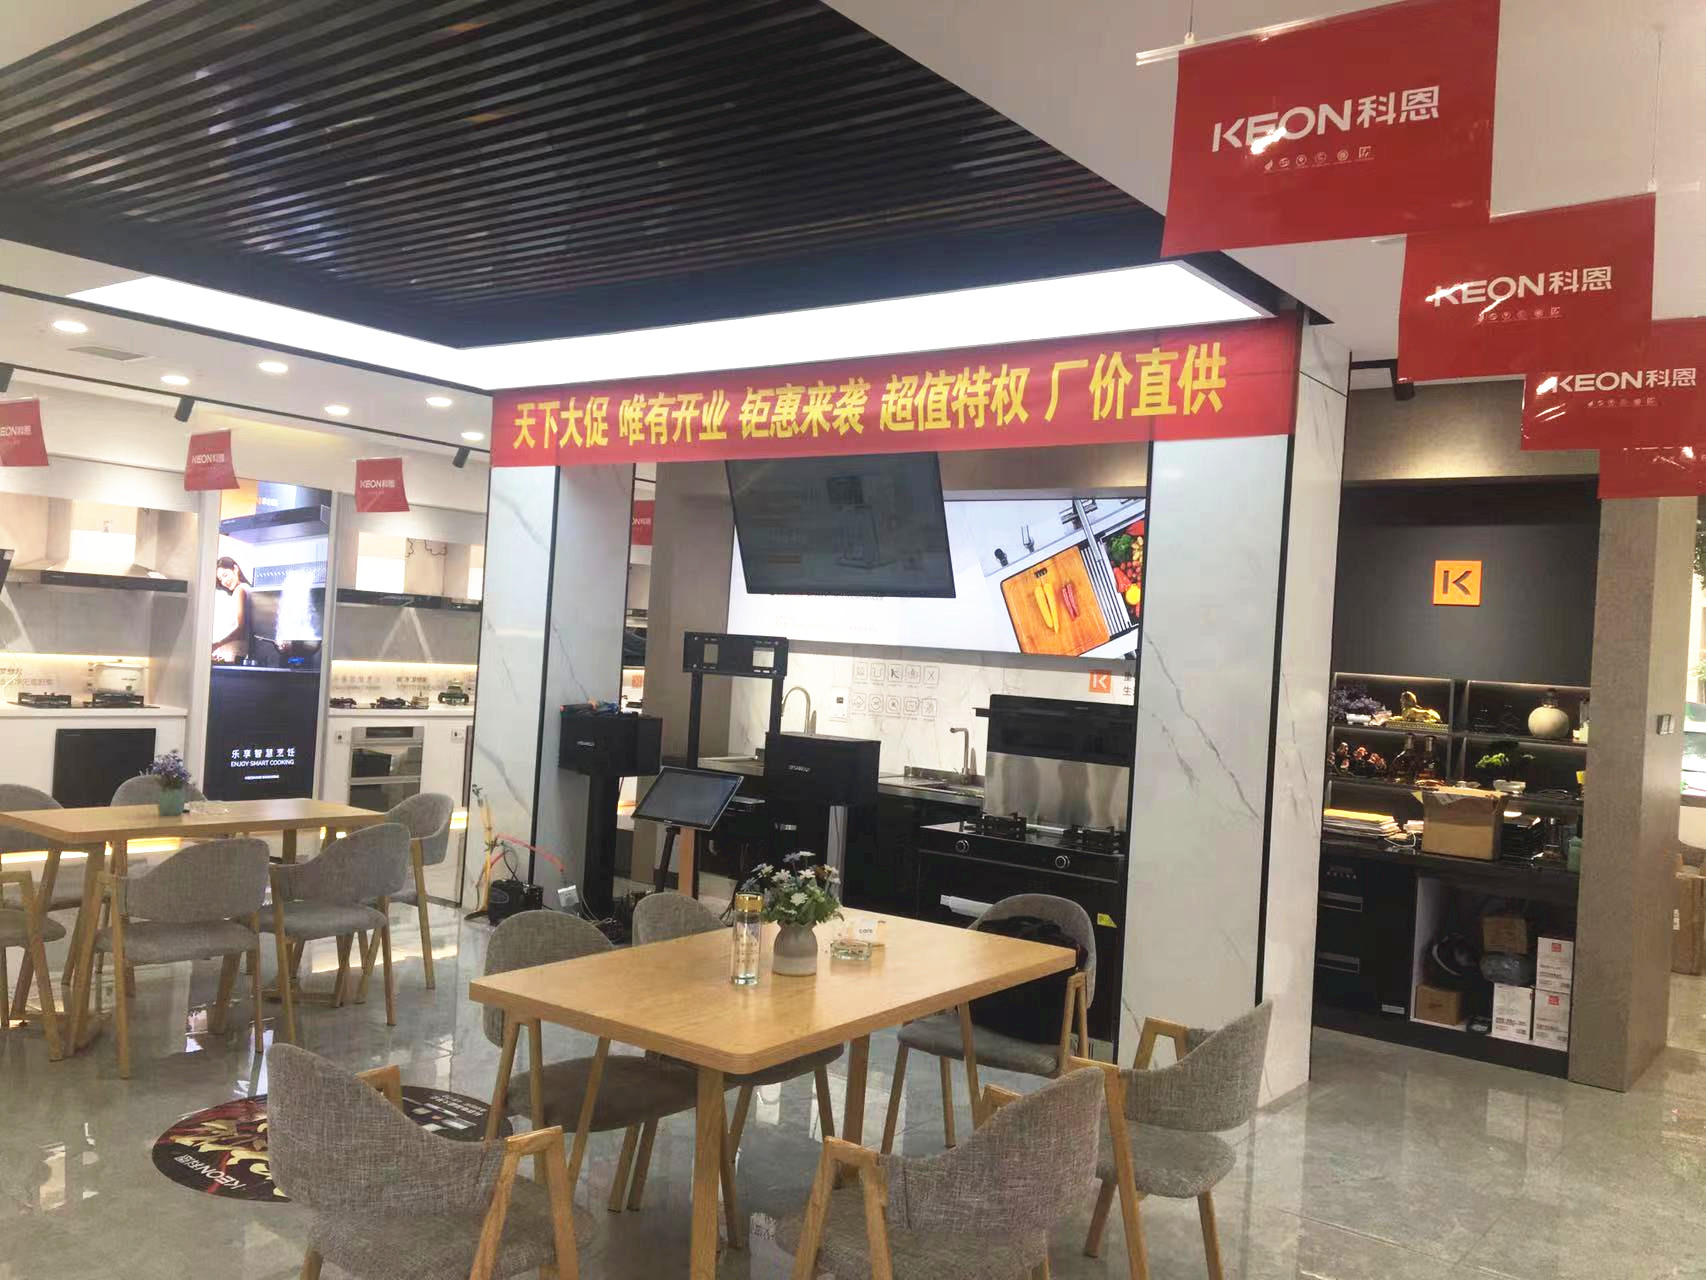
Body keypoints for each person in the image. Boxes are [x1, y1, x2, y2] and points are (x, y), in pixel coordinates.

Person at [211, 555, 252, 664]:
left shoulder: (239, 590)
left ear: (235, 569)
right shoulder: (248, 588)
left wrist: (216, 644)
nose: (224, 581)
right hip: (239, 653)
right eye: (220, 579)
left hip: (234, 654)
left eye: (225, 575)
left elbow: (239, 628)